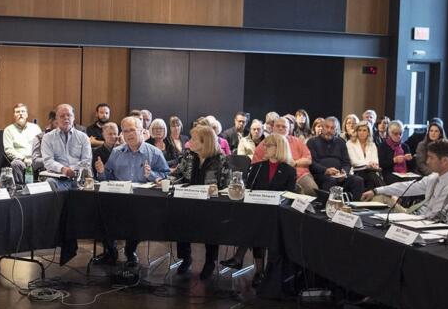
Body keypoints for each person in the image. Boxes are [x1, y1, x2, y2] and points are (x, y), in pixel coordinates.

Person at [92, 117, 170, 267]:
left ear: (141, 131)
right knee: (100, 210)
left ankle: (130, 251)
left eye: (132, 130)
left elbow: (166, 175)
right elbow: (107, 177)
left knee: (137, 214)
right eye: (125, 131)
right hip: (119, 196)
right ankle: (111, 251)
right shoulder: (116, 152)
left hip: (142, 199)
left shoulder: (154, 152)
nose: (129, 134)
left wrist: (151, 175)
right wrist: (101, 172)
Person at [221, 133, 298, 276]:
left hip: (277, 213)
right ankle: (259, 271)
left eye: (268, 145)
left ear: (279, 148)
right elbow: (249, 189)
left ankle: (244, 260)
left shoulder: (289, 171)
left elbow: (289, 196)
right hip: (258, 210)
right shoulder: (257, 167)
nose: (264, 148)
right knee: (256, 221)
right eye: (265, 145)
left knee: (255, 223)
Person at [171, 125, 229, 279]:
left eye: (193, 139)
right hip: (189, 201)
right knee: (179, 218)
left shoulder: (220, 159)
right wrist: (165, 181)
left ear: (205, 142)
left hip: (211, 205)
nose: (189, 142)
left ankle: (210, 261)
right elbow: (178, 175)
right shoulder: (189, 156)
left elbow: (226, 186)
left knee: (211, 224)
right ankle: (186, 257)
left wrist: (215, 189)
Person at [363, 140, 448, 219]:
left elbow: (435, 216)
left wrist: (405, 220)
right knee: (378, 197)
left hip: (423, 221)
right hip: (413, 214)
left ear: (445, 161)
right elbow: (407, 187)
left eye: (431, 158)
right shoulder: (435, 176)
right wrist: (375, 190)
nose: (427, 161)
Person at [251, 113, 316, 194]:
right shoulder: (265, 144)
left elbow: (308, 160)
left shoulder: (297, 142)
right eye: (278, 126)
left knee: (311, 190)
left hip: (300, 175)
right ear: (273, 128)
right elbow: (255, 165)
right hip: (275, 177)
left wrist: (295, 163)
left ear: (289, 130)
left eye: (284, 127)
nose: (281, 128)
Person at [307, 116, 363, 198]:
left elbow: (346, 162)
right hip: (321, 175)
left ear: (336, 130)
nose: (329, 130)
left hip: (339, 176)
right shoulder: (312, 142)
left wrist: (345, 173)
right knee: (331, 181)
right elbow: (312, 163)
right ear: (322, 127)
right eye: (327, 127)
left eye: (332, 128)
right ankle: (331, 208)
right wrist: (326, 170)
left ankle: (353, 207)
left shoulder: (341, 142)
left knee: (358, 180)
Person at [40, 103, 92, 186]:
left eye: (69, 115)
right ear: (56, 119)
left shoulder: (83, 137)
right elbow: (48, 161)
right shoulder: (47, 137)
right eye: (62, 116)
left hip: (78, 177)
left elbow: (87, 161)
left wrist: (72, 169)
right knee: (50, 183)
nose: (66, 118)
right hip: (57, 178)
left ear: (74, 117)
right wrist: (63, 169)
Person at [2, 103, 42, 184]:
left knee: (48, 161)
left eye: (23, 111)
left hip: (35, 159)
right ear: (14, 115)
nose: (20, 114)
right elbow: (8, 150)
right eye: (17, 112)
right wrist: (23, 159)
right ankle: (20, 189)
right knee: (15, 164)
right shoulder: (8, 130)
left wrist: (35, 158)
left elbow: (42, 145)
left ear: (27, 114)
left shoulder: (35, 128)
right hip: (21, 161)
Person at [347, 120, 383, 190]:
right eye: (359, 130)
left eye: (364, 130)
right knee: (372, 175)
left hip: (370, 171)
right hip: (356, 171)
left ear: (368, 132)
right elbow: (354, 162)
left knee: (371, 176)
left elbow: (375, 161)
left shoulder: (372, 145)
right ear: (356, 131)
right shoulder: (350, 143)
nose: (361, 133)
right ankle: (390, 195)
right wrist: (368, 164)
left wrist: (373, 165)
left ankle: (368, 197)